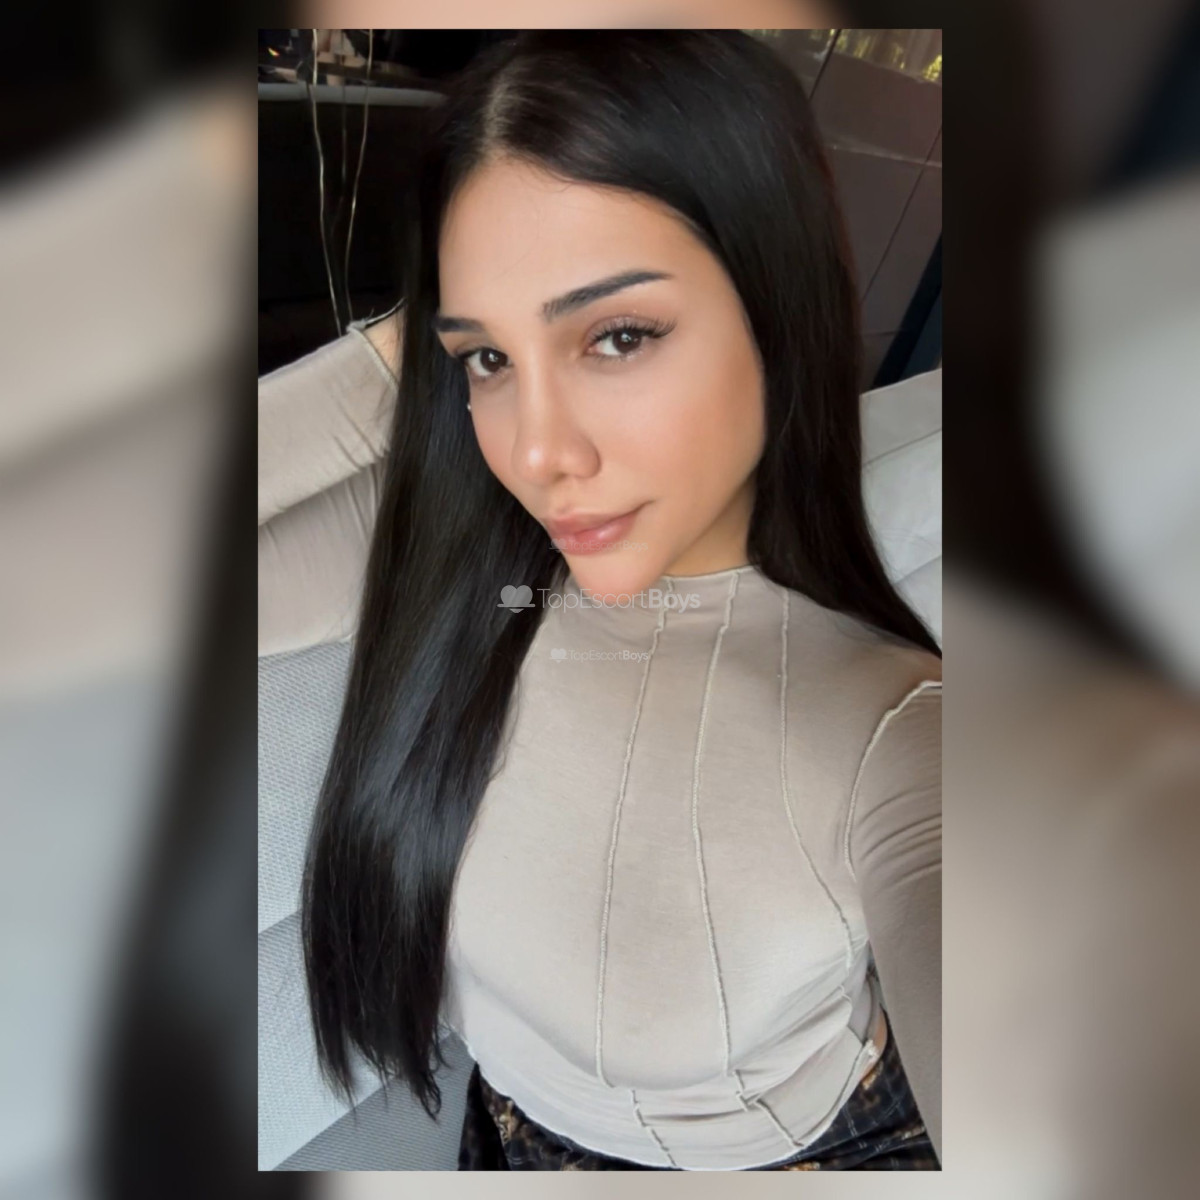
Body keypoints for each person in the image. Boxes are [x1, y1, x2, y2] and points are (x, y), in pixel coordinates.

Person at [285, 30, 941, 1170]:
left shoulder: (893, 728)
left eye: (619, 335)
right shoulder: (473, 571)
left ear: (778, 313)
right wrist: (413, 347)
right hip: (503, 1138)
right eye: (487, 362)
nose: (539, 454)